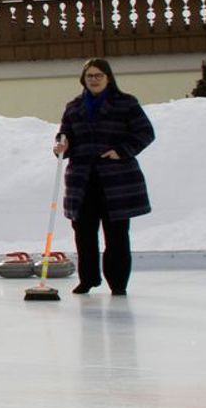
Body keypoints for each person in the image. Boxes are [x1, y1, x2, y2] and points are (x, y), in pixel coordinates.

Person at [55, 58, 155, 296]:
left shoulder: (126, 103)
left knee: (116, 234)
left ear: (108, 78)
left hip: (116, 180)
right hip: (82, 180)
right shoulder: (73, 107)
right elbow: (64, 135)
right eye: (89, 76)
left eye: (98, 75)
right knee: (84, 233)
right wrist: (61, 145)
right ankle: (88, 279)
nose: (94, 80)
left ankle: (118, 283)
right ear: (83, 79)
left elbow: (145, 132)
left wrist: (122, 150)